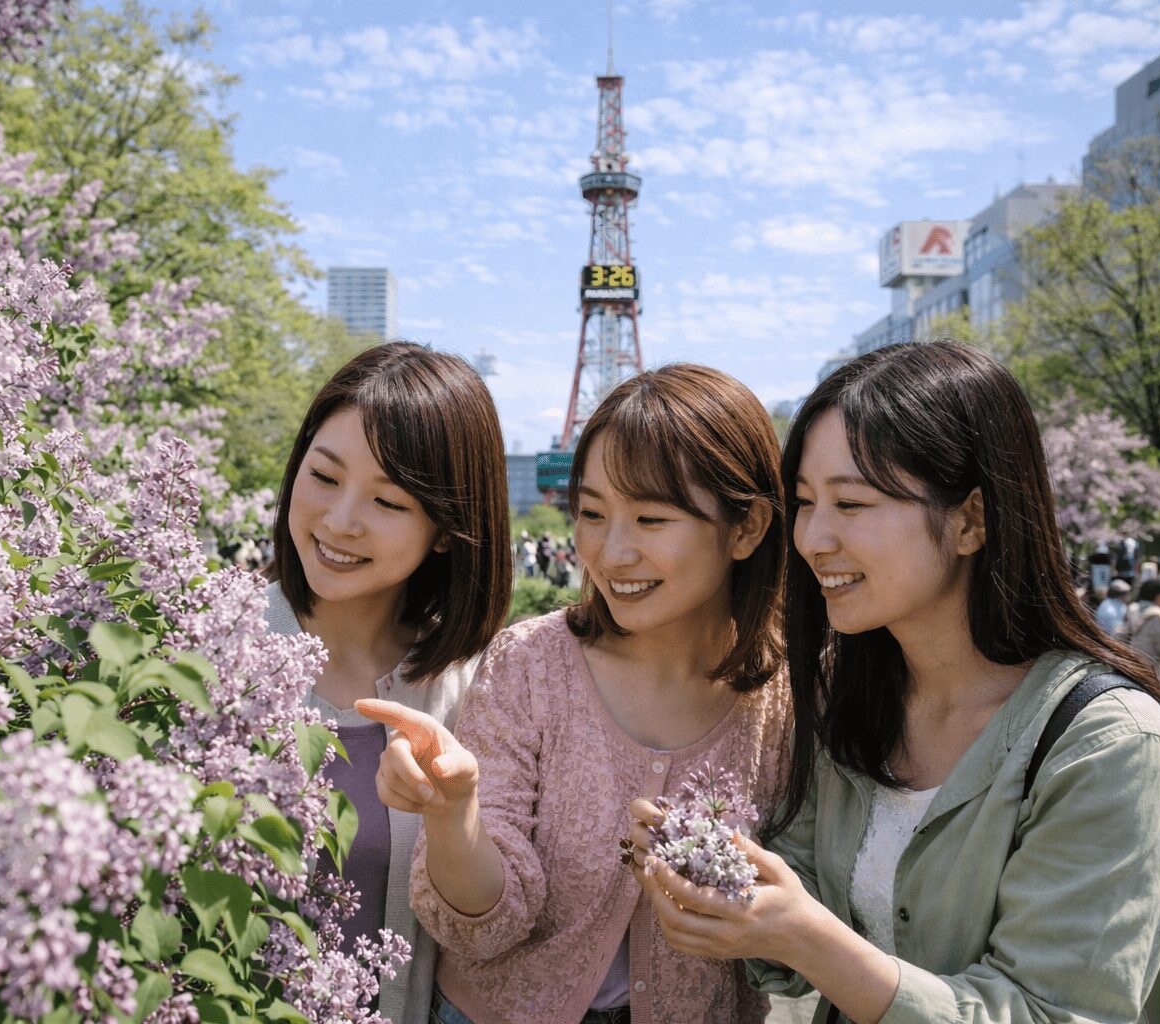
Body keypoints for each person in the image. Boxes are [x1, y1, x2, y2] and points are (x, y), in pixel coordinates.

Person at [629, 340, 1160, 1023]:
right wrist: (713, 872)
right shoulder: (846, 694)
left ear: (971, 520)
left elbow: (1053, 1011)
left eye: (852, 503)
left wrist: (805, 936)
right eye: (805, 502)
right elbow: (799, 904)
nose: (813, 539)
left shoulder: (1109, 746)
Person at [359, 363, 793, 1024]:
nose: (611, 552)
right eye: (591, 513)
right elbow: (480, 928)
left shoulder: (783, 698)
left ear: (747, 527)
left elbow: (800, 922)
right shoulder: (531, 665)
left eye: (651, 518)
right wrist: (454, 816)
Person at [263, 341, 514, 1024]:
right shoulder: (212, 647)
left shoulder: (473, 688)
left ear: (446, 531)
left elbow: (491, 927)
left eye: (387, 501)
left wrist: (453, 812)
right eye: (324, 475)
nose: (340, 520)